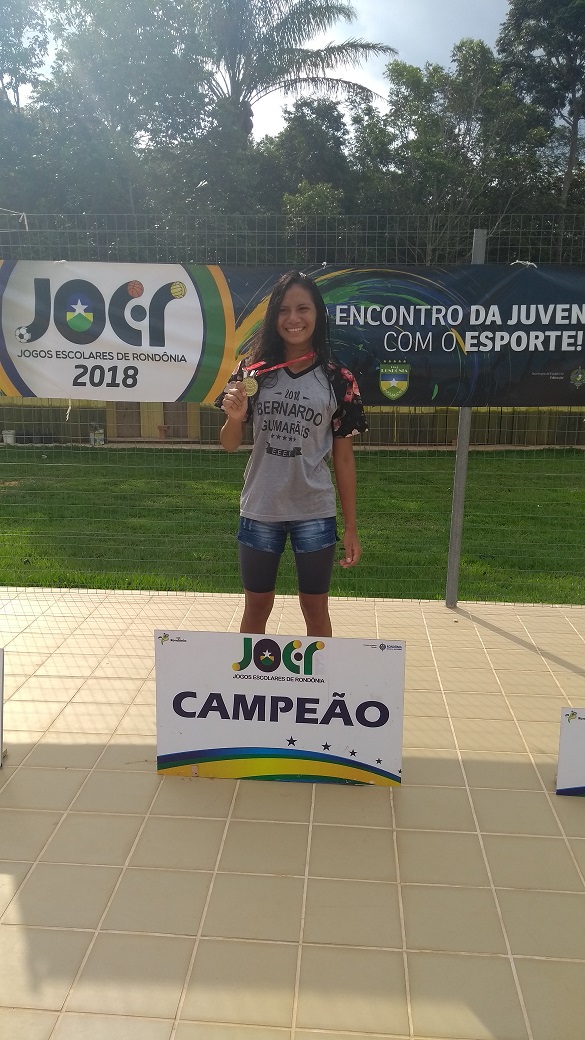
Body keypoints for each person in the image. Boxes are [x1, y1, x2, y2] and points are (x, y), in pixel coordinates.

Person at [216, 270, 368, 637]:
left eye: (303, 308)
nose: (293, 318)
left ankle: (320, 675)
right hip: (261, 507)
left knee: (315, 610)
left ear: (317, 314)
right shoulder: (252, 371)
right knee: (256, 608)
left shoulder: (338, 379)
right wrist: (234, 417)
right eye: (283, 310)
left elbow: (344, 459)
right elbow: (229, 443)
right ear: (273, 316)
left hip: (314, 510)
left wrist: (350, 527)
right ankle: (250, 675)